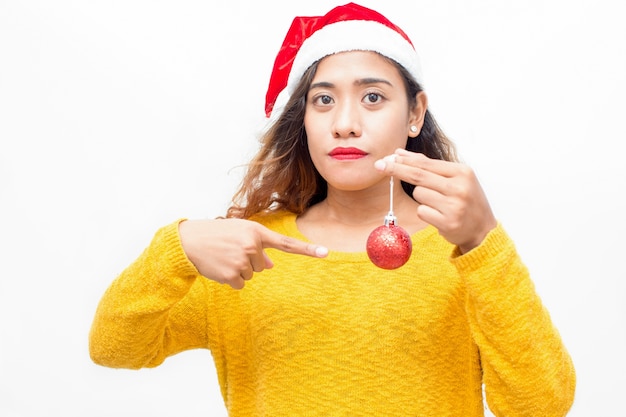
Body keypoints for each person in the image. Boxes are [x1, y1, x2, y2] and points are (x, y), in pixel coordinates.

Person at [89, 3, 576, 416]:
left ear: (414, 113)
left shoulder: (465, 251)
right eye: (323, 100)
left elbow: (542, 404)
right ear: (304, 120)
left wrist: (482, 241)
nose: (345, 123)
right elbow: (115, 348)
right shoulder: (247, 249)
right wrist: (173, 248)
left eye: (372, 97)